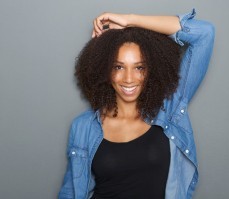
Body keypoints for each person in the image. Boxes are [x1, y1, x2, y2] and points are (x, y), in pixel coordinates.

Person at [58, 8, 215, 199]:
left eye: (139, 67)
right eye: (118, 67)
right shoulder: (83, 127)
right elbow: (70, 193)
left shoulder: (169, 111)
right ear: (105, 70)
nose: (129, 78)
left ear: (151, 70)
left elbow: (204, 34)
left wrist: (130, 21)